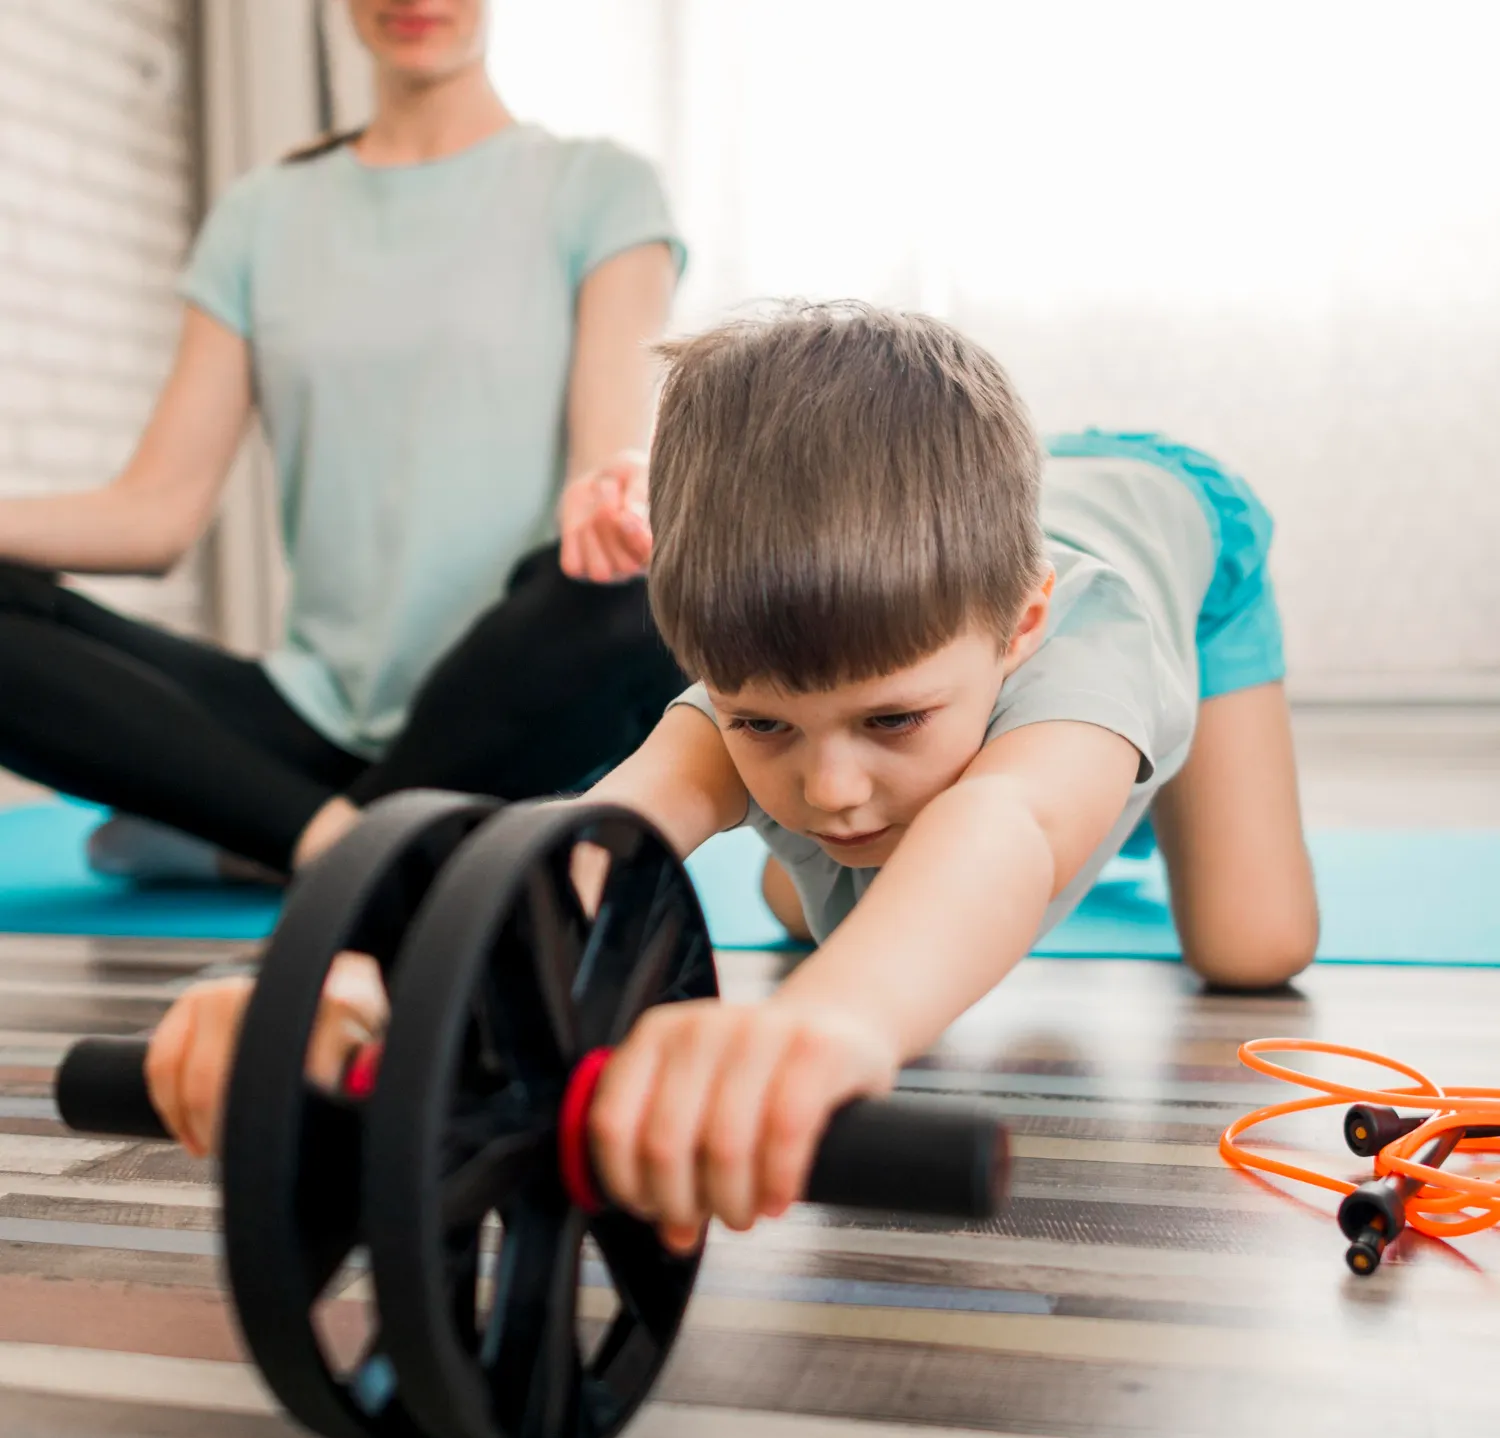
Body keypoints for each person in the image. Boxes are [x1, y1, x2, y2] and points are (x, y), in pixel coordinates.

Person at [143, 303, 1320, 1257]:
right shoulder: (756, 696)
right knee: (830, 892)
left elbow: (1006, 822)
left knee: (1251, 945)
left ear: (1019, 628)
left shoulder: (1081, 640)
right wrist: (360, 980)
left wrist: (819, 1031)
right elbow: (598, 835)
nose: (835, 788)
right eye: (763, 724)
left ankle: (1130, 789)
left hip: (1177, 545)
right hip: (951, 601)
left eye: (891, 719)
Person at [0, 0, 686, 883]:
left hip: (517, 701)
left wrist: (610, 497)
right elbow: (154, 516)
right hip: (310, 716)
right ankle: (352, 844)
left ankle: (262, 833)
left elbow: (604, 461)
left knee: (638, 605)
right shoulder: (259, 214)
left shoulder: (601, 188)